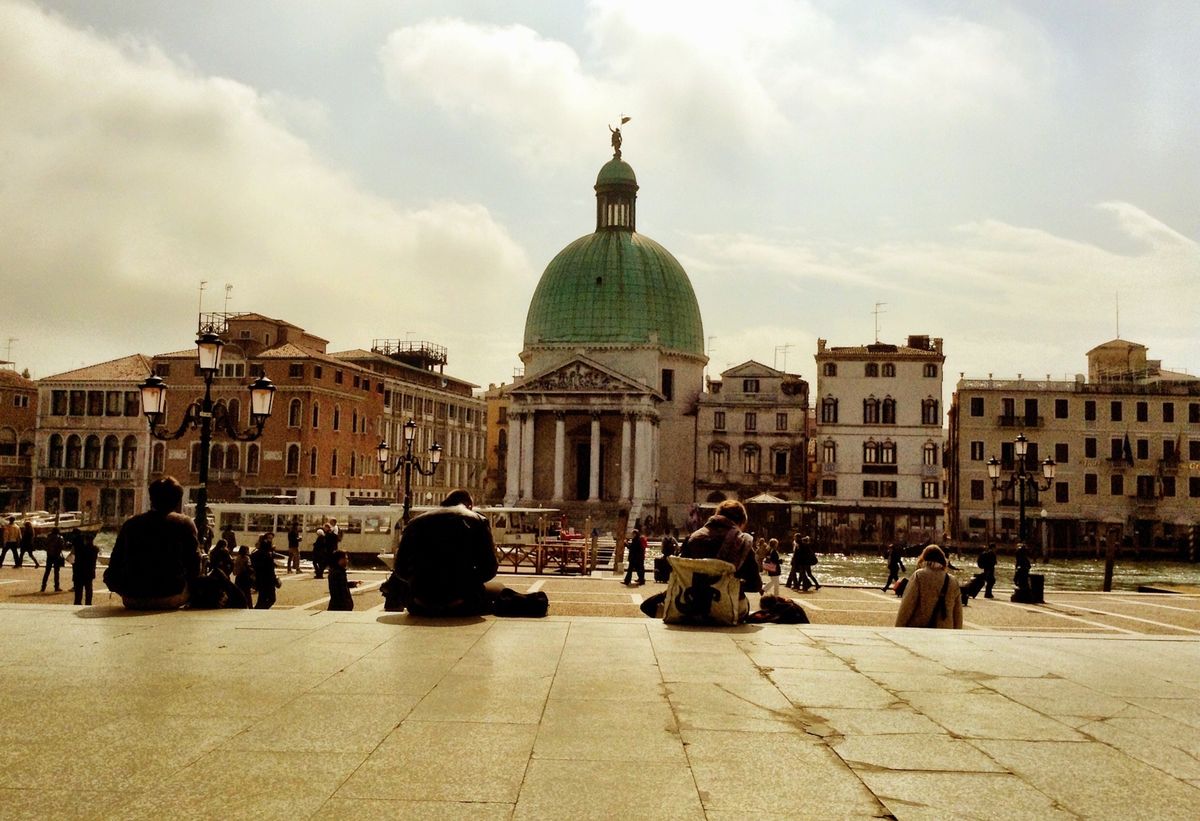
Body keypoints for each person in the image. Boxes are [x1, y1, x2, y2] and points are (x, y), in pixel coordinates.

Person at [381, 489, 499, 616]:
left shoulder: (416, 522)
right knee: (499, 589)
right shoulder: (478, 520)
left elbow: (400, 567)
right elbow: (489, 568)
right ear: (469, 505)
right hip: (462, 603)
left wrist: (417, 585)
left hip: (420, 604)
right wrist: (467, 584)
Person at [103, 477, 201, 610]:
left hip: (131, 597)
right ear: (177, 501)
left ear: (151, 499)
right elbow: (194, 566)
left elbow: (114, 564)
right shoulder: (184, 523)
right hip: (170, 595)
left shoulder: (131, 524)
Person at [895, 544, 963, 629]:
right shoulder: (952, 581)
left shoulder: (919, 576)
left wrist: (898, 627)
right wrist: (958, 633)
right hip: (945, 632)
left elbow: (907, 606)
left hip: (920, 630)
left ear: (924, 558)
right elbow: (958, 614)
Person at [69, 529, 99, 606]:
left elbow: (72, 558)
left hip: (79, 571)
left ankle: (77, 603)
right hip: (89, 571)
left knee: (78, 590)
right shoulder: (95, 549)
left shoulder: (80, 549)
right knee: (89, 589)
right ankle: (88, 603)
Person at [250, 533, 280, 609]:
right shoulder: (267, 556)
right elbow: (270, 571)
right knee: (271, 599)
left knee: (262, 598)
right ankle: (259, 611)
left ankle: (258, 610)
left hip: (260, 579)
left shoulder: (255, 554)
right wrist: (276, 580)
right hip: (268, 581)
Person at [41, 527, 64, 592]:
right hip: (56, 556)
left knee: (47, 571)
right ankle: (56, 586)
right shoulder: (60, 538)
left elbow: (45, 545)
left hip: (49, 555)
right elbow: (62, 546)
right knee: (56, 572)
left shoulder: (48, 537)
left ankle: (43, 586)